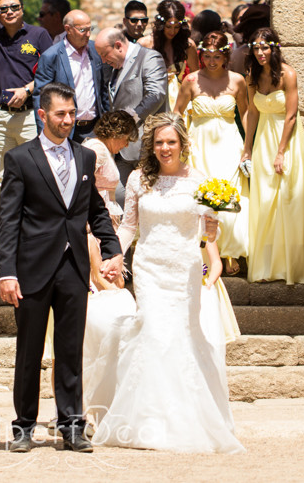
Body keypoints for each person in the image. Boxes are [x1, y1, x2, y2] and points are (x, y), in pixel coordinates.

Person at [83, 112, 242, 453]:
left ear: (183, 144)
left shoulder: (200, 181)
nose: (164, 148)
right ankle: (147, 420)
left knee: (182, 337)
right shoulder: (140, 179)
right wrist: (115, 256)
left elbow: (205, 229)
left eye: (171, 142)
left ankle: (186, 419)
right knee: (154, 332)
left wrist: (212, 229)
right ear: (150, 146)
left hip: (184, 270)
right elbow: (128, 226)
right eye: (158, 142)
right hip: (150, 267)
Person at [0, 82, 123, 453]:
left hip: (73, 267)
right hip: (32, 267)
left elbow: (95, 210)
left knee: (70, 350)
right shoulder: (20, 158)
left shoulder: (85, 158)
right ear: (42, 115)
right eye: (60, 114)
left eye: (72, 114)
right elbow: (9, 220)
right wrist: (7, 272)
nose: (68, 120)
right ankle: (23, 427)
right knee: (29, 351)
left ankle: (71, 425)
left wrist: (112, 249)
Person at [241, 27, 304, 284]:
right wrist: (247, 147)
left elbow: (291, 115)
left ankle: (297, 269)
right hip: (263, 139)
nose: (260, 53)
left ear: (274, 47)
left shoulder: (288, 74)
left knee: (289, 202)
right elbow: (253, 113)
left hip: (287, 141)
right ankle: (268, 268)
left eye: (264, 47)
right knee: (265, 202)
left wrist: (281, 152)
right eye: (255, 48)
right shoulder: (252, 76)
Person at [175, 31, 249, 276]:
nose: (212, 61)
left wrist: (249, 147)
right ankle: (204, 251)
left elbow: (246, 113)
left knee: (231, 193)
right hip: (199, 144)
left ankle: (229, 252)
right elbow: (177, 113)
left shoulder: (237, 80)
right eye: (207, 56)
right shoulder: (191, 80)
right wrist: (178, 143)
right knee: (201, 195)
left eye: (217, 56)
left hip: (229, 143)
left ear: (225, 55)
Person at [0, 0, 53, 186]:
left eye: (14, 7)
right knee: (3, 179)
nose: (10, 12)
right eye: (4, 8)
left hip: (29, 115)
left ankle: (31, 218)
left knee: (33, 174)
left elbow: (51, 71)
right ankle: (9, 218)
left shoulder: (38, 34)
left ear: (22, 9)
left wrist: (27, 90)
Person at [94, 27, 168, 205]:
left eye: (105, 54)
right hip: (120, 149)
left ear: (118, 46)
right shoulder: (113, 66)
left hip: (146, 145)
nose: (103, 60)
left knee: (150, 201)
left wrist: (128, 120)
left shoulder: (150, 58)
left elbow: (156, 94)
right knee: (117, 197)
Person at [33, 9, 110, 142]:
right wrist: (44, 134)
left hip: (96, 128)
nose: (88, 34)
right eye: (82, 30)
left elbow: (103, 88)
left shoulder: (96, 50)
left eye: (90, 29)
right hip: (66, 129)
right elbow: (41, 96)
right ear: (68, 29)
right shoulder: (52, 56)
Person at [82, 110, 138, 228]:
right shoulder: (97, 149)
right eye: (126, 139)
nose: (127, 145)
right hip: (96, 223)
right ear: (115, 134)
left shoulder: (102, 149)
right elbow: (81, 185)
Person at [138, 0, 199, 109]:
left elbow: (196, 77)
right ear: (161, 24)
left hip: (180, 102)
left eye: (177, 27)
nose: (172, 31)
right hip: (152, 101)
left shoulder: (188, 45)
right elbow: (135, 77)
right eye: (168, 27)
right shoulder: (144, 44)